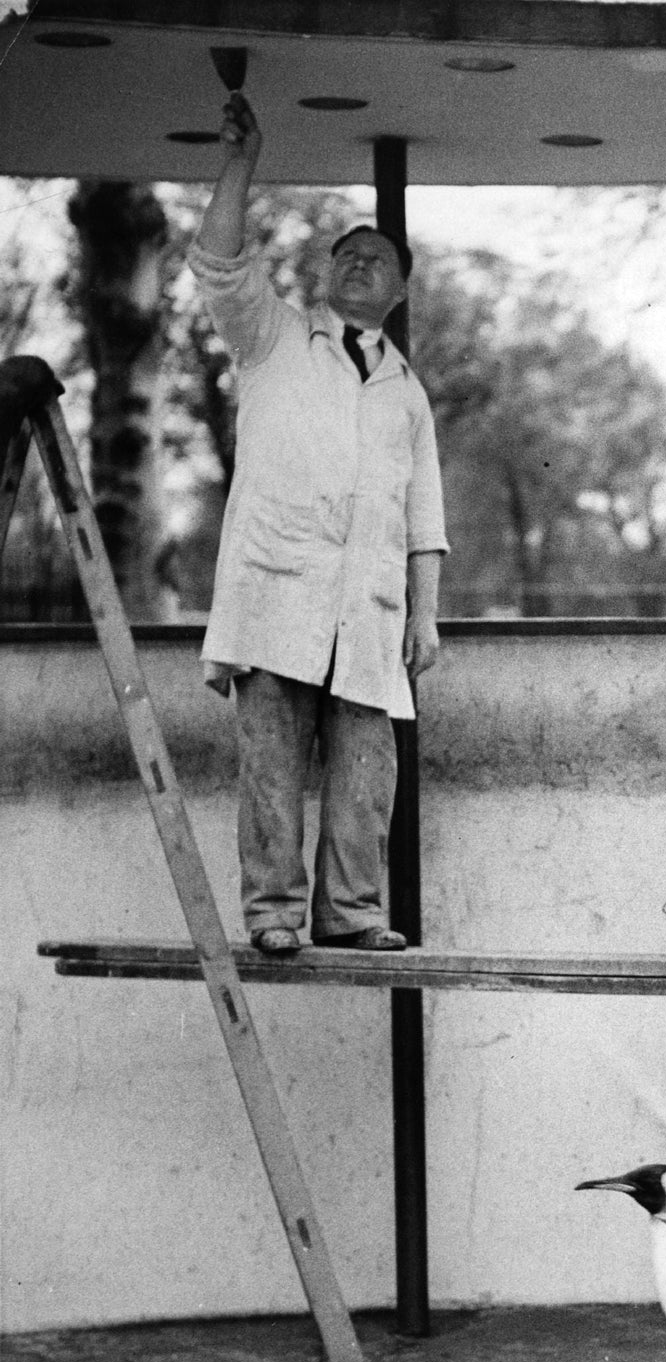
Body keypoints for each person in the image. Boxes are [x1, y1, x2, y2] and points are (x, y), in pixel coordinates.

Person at [190, 93, 447, 954]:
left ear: (402, 288)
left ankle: (354, 913)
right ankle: (272, 915)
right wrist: (240, 161)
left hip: (367, 614)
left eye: (378, 258)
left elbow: (424, 516)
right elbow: (220, 261)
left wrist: (424, 611)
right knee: (269, 767)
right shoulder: (274, 340)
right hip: (278, 594)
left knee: (368, 775)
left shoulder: (406, 390)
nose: (361, 264)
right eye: (348, 254)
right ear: (328, 276)